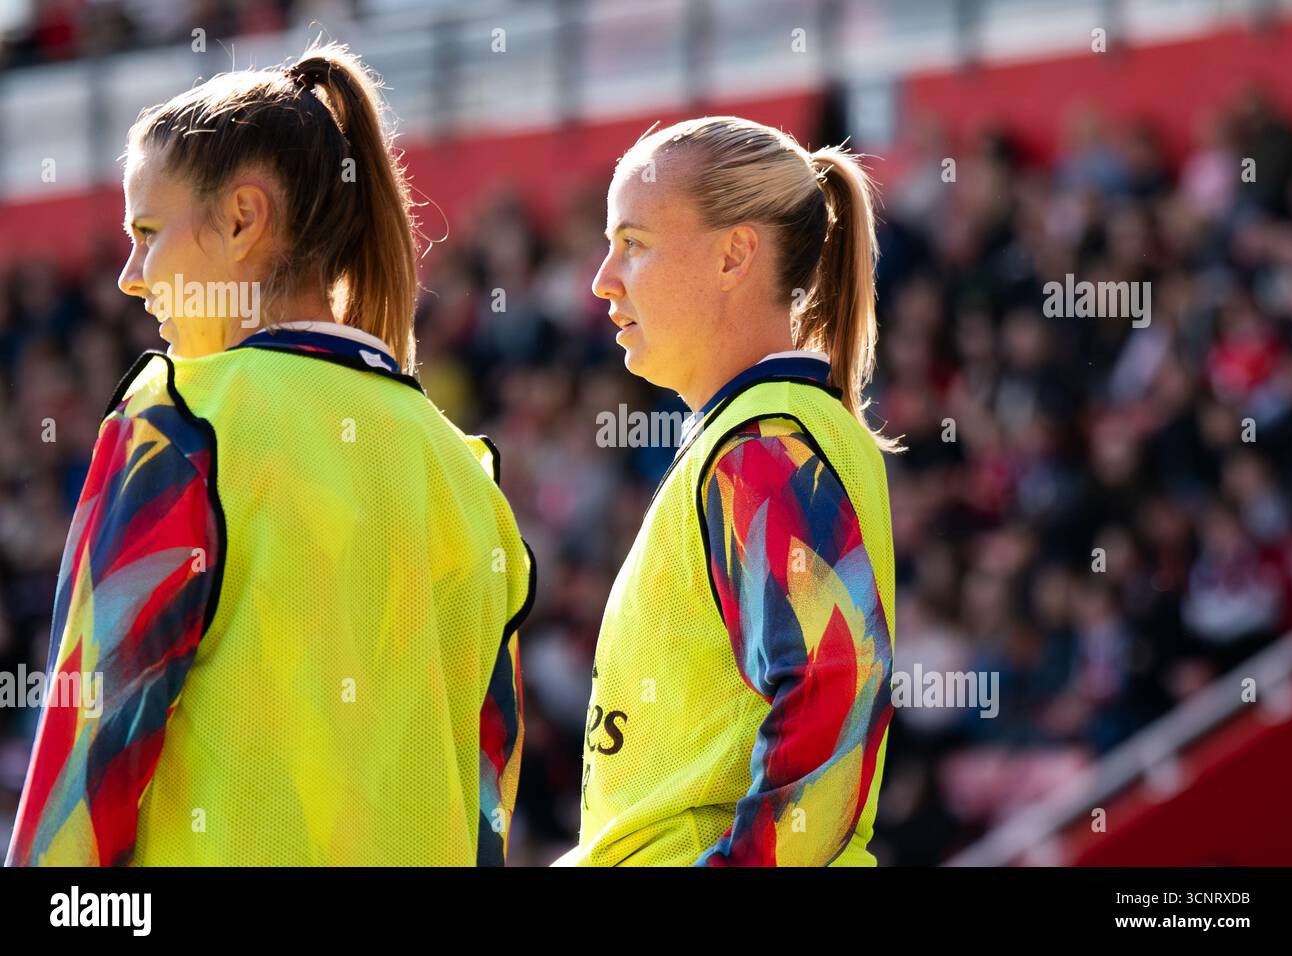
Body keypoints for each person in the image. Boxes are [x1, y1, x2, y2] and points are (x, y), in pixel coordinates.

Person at [5, 42, 534, 866]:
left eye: (147, 233)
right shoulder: (465, 472)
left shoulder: (178, 422)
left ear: (244, 219)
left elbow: (86, 761)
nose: (130, 277)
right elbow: (489, 803)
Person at [556, 116, 901, 866]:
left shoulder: (762, 445)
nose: (602, 278)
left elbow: (837, 681)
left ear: (734, 254)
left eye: (634, 243)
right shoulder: (768, 429)